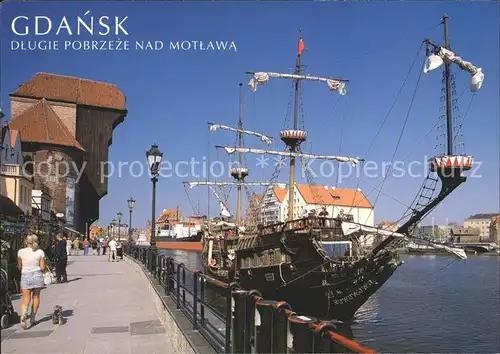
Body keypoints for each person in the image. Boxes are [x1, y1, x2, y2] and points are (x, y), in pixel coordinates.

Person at [17, 234, 45, 329]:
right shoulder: (40, 252)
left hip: (26, 275)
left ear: (26, 241)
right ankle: (32, 318)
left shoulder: (20, 252)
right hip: (37, 275)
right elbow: (42, 267)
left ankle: (23, 315)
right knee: (36, 297)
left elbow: (20, 266)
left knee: (26, 299)